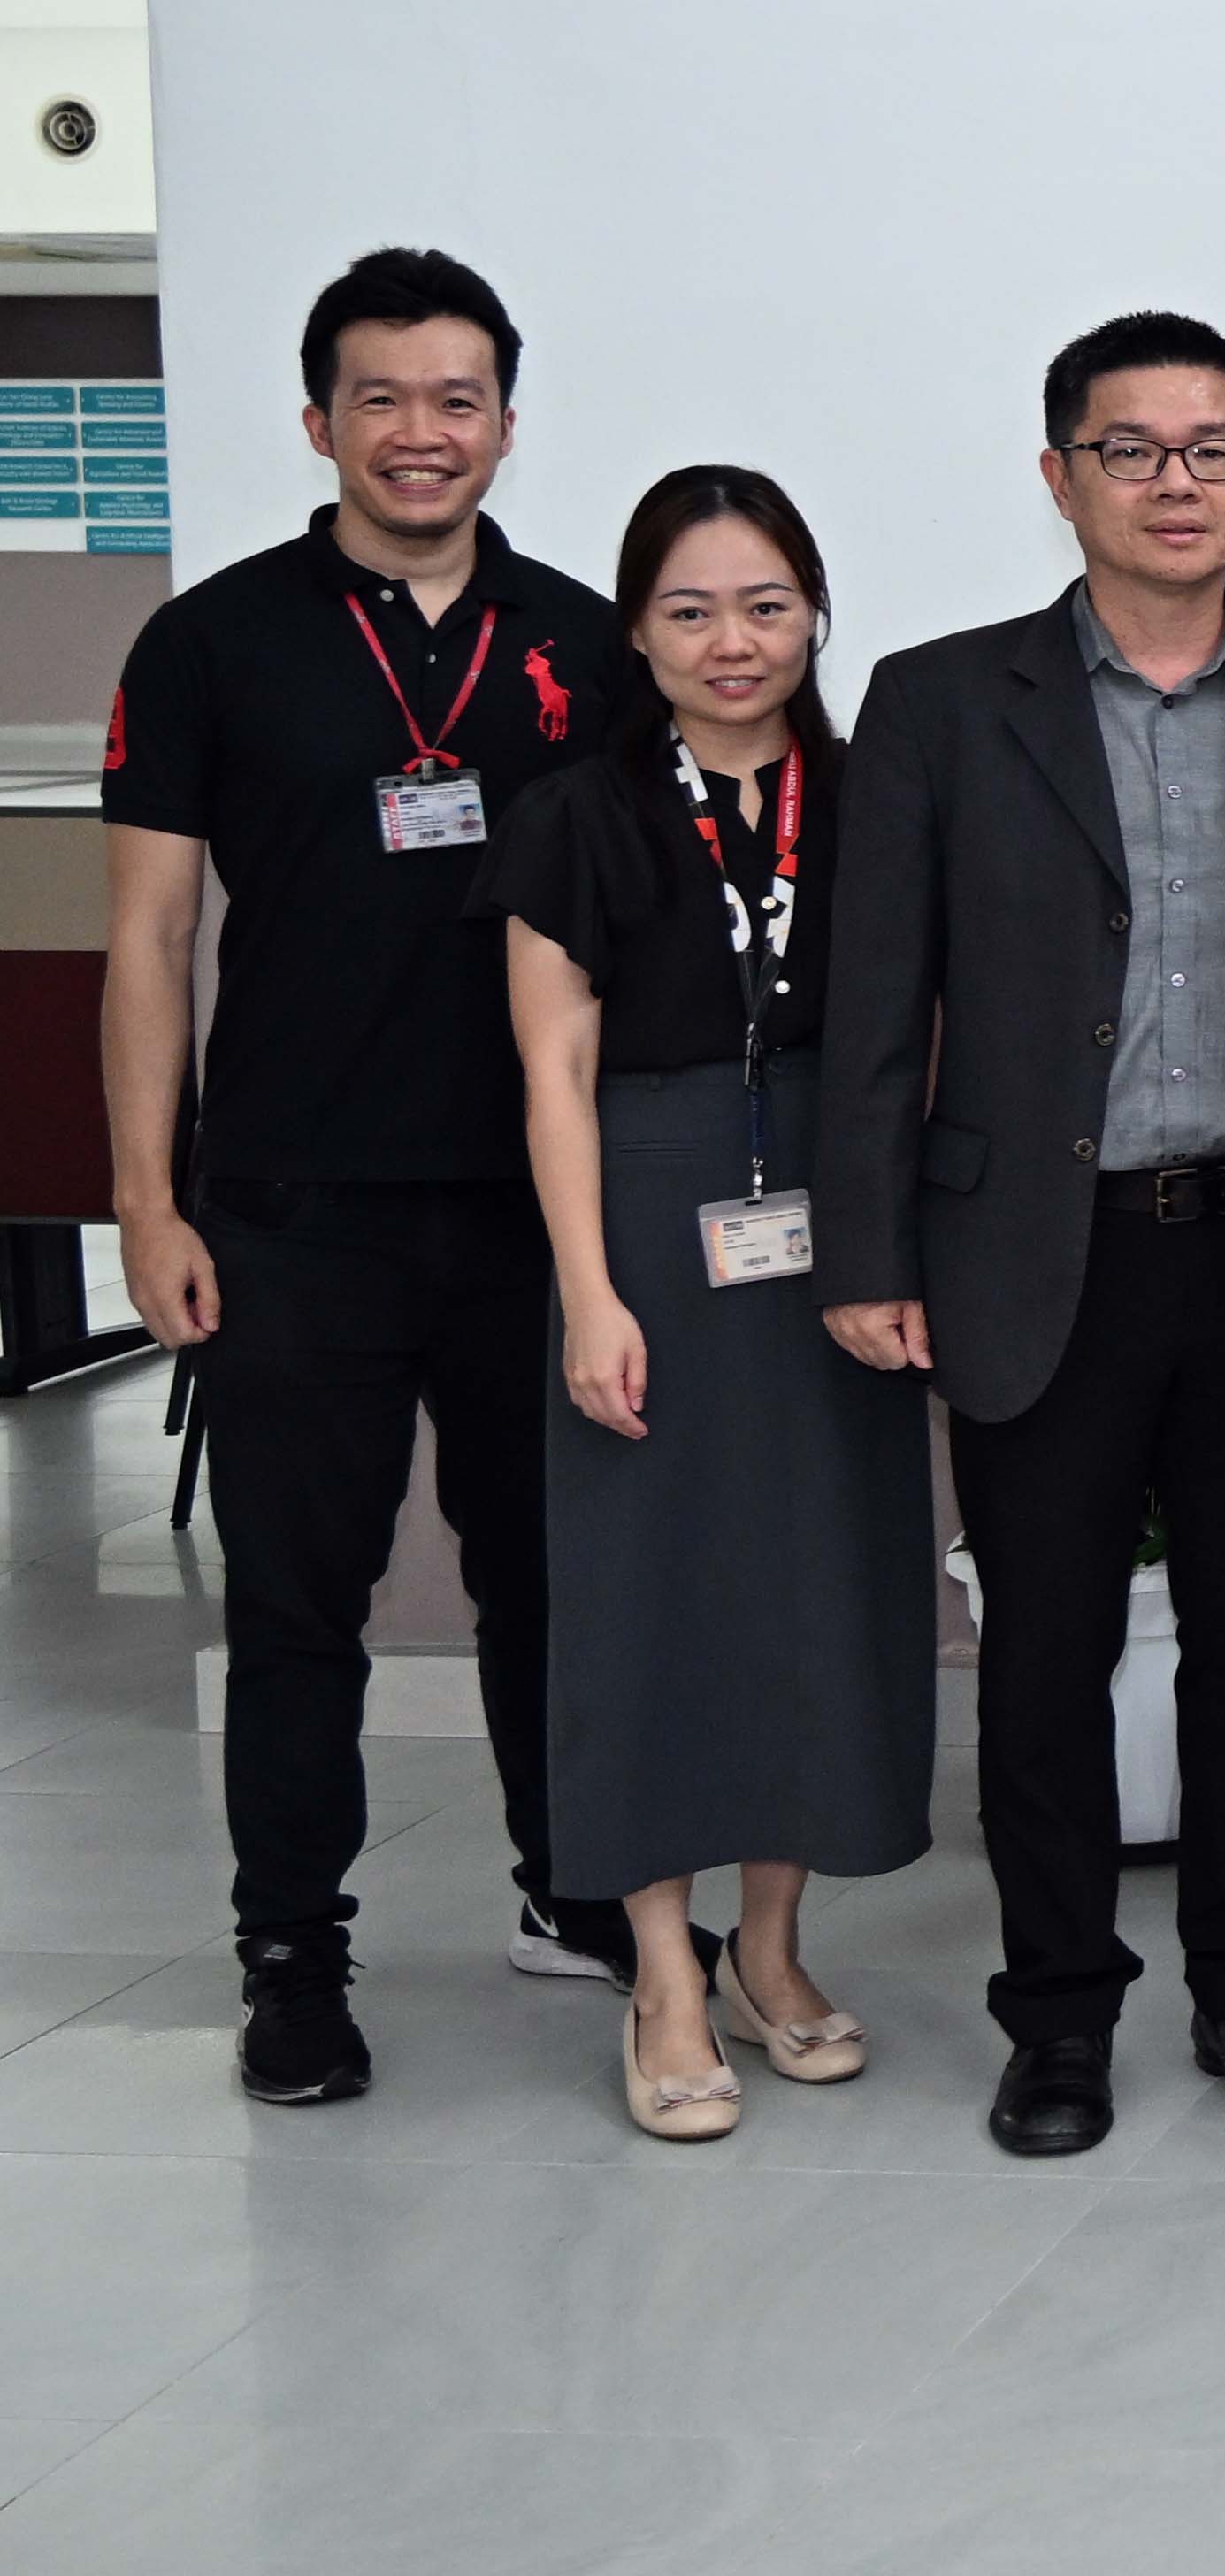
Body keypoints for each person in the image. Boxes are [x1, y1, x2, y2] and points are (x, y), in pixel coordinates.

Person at [815, 311, 1225, 2158]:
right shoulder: (936, 697)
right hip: (1032, 1253)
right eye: (1131, 447)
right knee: (1048, 1656)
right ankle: (1058, 2014)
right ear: (1058, 469)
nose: (1174, 480)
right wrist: (863, 1249)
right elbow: (872, 997)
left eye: (1211, 446)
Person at [99, 248, 629, 2104]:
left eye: (459, 396)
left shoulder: (582, 639)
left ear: (504, 416)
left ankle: (574, 1894)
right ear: (320, 419)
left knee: (553, 1585)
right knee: (300, 1607)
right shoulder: (215, 639)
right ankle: (292, 1957)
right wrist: (150, 1207)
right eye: (384, 398)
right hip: (291, 1212)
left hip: (527, 1215)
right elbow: (151, 943)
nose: (425, 431)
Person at [487, 467, 938, 2140]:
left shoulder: (872, 788)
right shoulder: (574, 813)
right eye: (689, 610)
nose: (731, 642)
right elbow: (554, 1072)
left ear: (815, 612)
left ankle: (770, 1947)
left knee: (818, 1594)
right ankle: (662, 1977)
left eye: (765, 605)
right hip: (651, 1225)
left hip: (840, 1225)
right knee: (649, 1606)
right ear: (637, 632)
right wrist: (589, 1295)